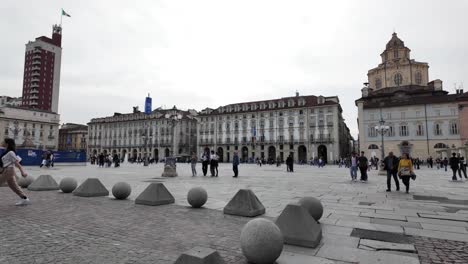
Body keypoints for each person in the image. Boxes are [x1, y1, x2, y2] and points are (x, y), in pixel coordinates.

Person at [0, 138, 31, 205]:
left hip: (8, 170)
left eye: (3, 141)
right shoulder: (6, 151)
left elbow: (17, 163)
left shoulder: (10, 152)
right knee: (13, 186)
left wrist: (22, 172)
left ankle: (24, 199)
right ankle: (24, 198)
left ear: (7, 144)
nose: (2, 142)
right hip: (6, 170)